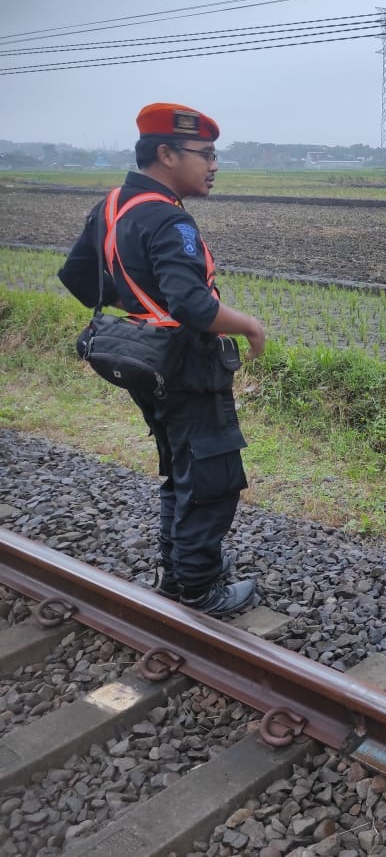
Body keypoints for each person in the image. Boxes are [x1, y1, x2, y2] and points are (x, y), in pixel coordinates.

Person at [58, 103, 266, 617]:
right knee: (212, 478)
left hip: (141, 362)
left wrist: (136, 310)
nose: (214, 165)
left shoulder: (112, 205)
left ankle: (178, 574)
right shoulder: (171, 219)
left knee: (179, 466)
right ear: (167, 154)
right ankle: (199, 590)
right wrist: (250, 326)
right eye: (206, 154)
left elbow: (77, 278)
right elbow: (193, 305)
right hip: (185, 367)